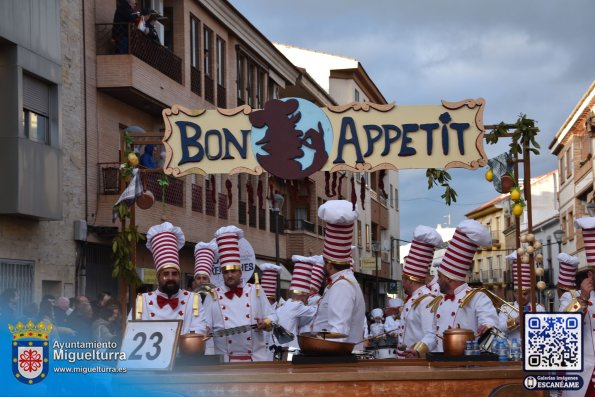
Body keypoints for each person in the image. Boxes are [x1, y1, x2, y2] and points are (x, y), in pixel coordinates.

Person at [197, 226, 275, 362]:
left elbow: (273, 316)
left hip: (256, 360)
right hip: (225, 362)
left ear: (240, 272)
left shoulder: (255, 290)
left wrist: (266, 322)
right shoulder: (212, 295)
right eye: (226, 272)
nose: (230, 275)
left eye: (233, 271)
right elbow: (205, 325)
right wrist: (205, 330)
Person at [431, 219, 498, 352]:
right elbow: (433, 335)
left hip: (467, 366)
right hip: (440, 365)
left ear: (449, 280)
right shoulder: (439, 300)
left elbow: (490, 326)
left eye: (440, 277)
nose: (437, 281)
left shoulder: (478, 298)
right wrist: (418, 350)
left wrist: (487, 328)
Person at [311, 200, 366, 345]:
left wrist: (315, 344)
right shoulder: (343, 281)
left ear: (328, 265)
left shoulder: (341, 286)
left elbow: (338, 332)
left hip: (338, 362)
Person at [131, 222, 200, 335]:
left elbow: (199, 328)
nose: (170, 278)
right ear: (158, 276)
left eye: (174, 274)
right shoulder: (142, 301)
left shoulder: (193, 300)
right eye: (166, 274)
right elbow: (133, 332)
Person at [398, 225, 442, 358]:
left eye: (403, 279)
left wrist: (417, 350)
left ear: (410, 281)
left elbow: (431, 334)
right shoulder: (414, 299)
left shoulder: (427, 300)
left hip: (417, 362)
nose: (402, 283)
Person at [563, 217, 595, 397]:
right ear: (590, 275)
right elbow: (564, 331)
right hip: (583, 378)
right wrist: (582, 299)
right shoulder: (571, 297)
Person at [498, 253, 545, 343]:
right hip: (512, 349)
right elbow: (500, 328)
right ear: (514, 293)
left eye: (525, 294)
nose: (522, 297)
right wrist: (515, 321)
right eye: (519, 294)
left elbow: (545, 328)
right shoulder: (505, 308)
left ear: (530, 293)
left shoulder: (539, 308)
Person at [276, 256, 318, 349]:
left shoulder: (283, 306)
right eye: (307, 297)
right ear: (303, 296)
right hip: (290, 349)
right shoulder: (297, 306)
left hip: (278, 348)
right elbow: (315, 311)